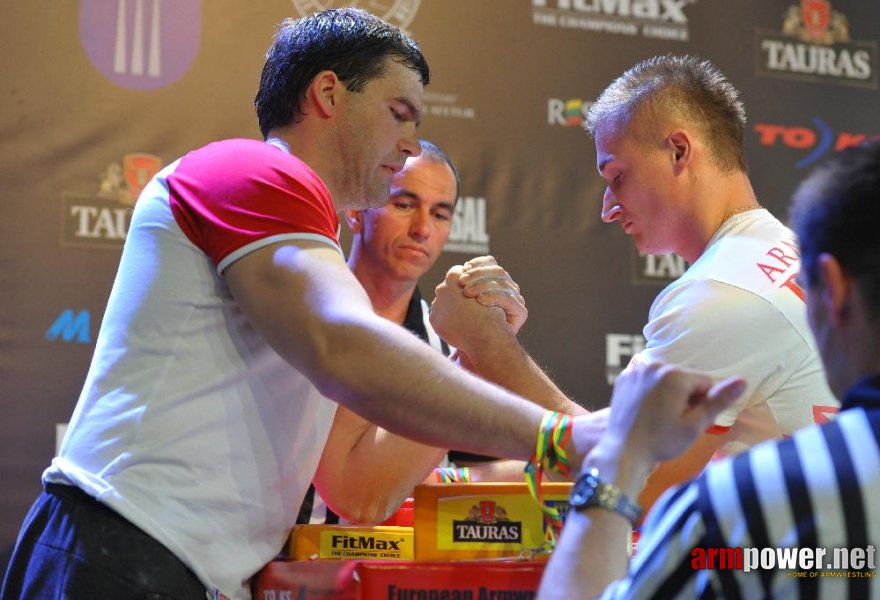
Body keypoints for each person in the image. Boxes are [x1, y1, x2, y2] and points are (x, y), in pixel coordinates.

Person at [0, 9, 607, 600]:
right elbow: (343, 345)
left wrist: (471, 352)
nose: (411, 143)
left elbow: (358, 490)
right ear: (327, 94)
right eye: (399, 114)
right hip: (120, 548)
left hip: (175, 567)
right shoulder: (256, 171)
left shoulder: (307, 254)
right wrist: (560, 437)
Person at [538, 133, 880, 599]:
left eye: (618, 177)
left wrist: (617, 464)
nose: (609, 206)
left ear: (832, 290)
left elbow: (644, 494)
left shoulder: (736, 510)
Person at [585, 54, 838, 511]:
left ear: (679, 151)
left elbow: (627, 485)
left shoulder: (721, 292)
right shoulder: (780, 251)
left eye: (617, 177)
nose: (608, 207)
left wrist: (494, 350)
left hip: (785, 573)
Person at [301, 140, 549, 525]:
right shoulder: (297, 317)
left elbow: (475, 469)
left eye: (439, 213)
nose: (422, 229)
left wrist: (563, 462)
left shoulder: (451, 346)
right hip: (283, 562)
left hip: (405, 574)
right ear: (354, 212)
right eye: (404, 205)